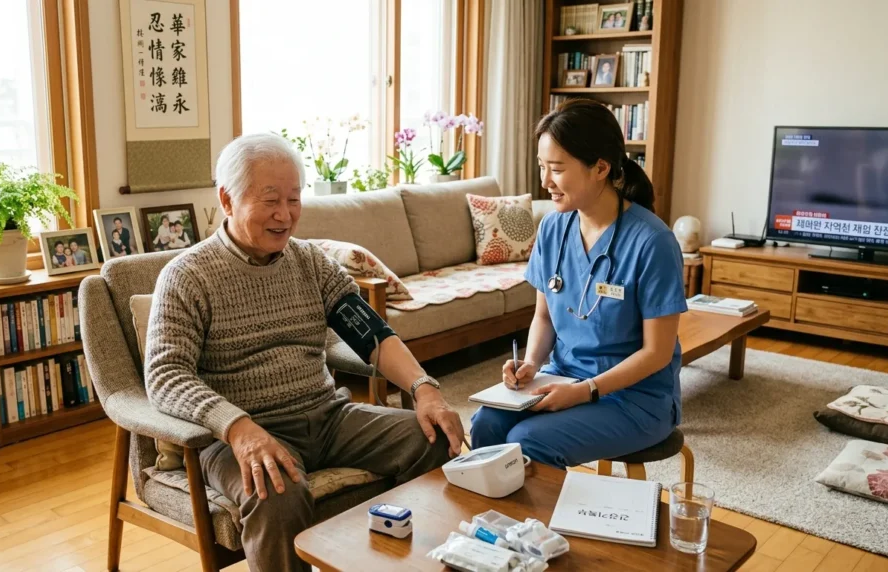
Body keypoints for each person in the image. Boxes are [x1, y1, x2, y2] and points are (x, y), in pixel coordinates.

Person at [145, 132, 464, 572]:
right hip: (238, 436)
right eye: (270, 200)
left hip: (329, 418)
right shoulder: (187, 276)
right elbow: (166, 376)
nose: (285, 215)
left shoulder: (310, 262)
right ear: (227, 199)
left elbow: (370, 333)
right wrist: (238, 428)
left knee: (432, 439)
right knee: (276, 494)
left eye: (294, 199)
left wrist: (425, 388)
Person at [470, 99, 687, 471]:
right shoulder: (554, 228)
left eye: (556, 169)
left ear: (600, 167)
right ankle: (498, 527)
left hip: (635, 398)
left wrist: (584, 392)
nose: (544, 182)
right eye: (542, 167)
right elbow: (544, 316)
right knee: (486, 424)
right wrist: (531, 363)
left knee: (529, 441)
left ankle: (541, 530)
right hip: (564, 377)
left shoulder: (653, 242)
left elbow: (657, 353)